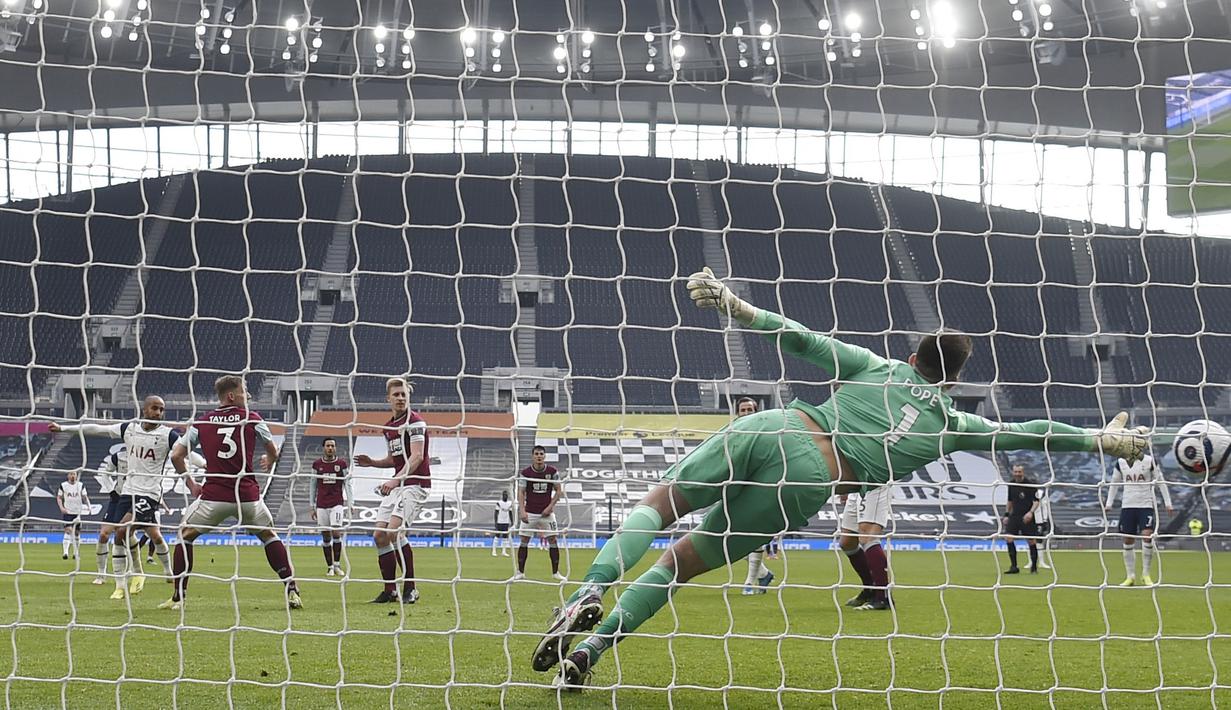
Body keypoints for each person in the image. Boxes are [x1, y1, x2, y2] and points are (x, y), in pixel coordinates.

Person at [537, 266, 1150, 688]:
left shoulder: (880, 367)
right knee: (675, 566)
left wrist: (733, 303)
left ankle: (587, 589)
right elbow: (1033, 431)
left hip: (781, 427)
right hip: (813, 482)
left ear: (913, 359)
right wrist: (1100, 438)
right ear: (954, 381)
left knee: (661, 502)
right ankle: (589, 652)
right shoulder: (956, 425)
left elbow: (801, 339)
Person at [162, 375, 301, 611]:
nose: (247, 396)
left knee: (184, 537)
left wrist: (191, 484)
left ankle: (178, 597)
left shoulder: (202, 422)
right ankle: (292, 590)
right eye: (244, 391)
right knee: (269, 536)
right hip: (247, 496)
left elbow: (176, 455)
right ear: (231, 396)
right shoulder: (252, 418)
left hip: (214, 497)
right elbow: (273, 449)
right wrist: (270, 459)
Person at [51, 396, 202, 599]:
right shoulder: (129, 429)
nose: (158, 413)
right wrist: (63, 428)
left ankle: (141, 575)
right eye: (154, 408)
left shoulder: (168, 435)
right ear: (144, 409)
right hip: (127, 492)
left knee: (125, 530)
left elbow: (189, 454)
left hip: (149, 493)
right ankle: (123, 584)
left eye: (162, 409)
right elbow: (98, 429)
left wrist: (206, 466)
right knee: (121, 535)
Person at [355, 378, 430, 604]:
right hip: (400, 485)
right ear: (388, 398)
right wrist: (373, 463)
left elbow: (416, 456)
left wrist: (395, 481)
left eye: (403, 394)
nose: (400, 398)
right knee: (379, 535)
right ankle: (390, 590)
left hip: (415, 485)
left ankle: (411, 588)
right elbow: (394, 460)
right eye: (396, 394)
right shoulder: (388, 428)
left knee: (395, 533)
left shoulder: (416, 422)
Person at [1106, 453, 1172, 586]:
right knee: (1128, 539)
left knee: (1147, 536)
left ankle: (1146, 574)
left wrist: (1168, 503)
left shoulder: (1150, 461)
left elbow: (1160, 481)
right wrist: (1109, 503)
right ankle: (1130, 576)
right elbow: (1114, 483)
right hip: (1127, 505)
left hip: (1145, 505)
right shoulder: (1121, 462)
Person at [734, 397, 775, 596]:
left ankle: (750, 582)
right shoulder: (732, 432)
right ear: (738, 413)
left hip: (760, 488)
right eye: (744, 410)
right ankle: (764, 574)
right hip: (736, 488)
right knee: (729, 539)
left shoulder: (768, 431)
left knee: (755, 534)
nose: (747, 413)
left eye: (751, 409)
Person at [514, 445, 566, 581]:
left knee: (553, 540)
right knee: (524, 540)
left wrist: (550, 506)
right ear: (532, 456)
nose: (539, 456)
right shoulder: (525, 473)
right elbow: (521, 492)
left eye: (541, 454)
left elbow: (559, 490)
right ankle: (520, 572)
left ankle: (556, 573)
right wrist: (522, 510)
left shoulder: (552, 471)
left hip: (547, 513)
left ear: (545, 456)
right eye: (536, 454)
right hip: (530, 512)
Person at [309, 437, 352, 577]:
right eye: (328, 446)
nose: (330, 448)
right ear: (324, 448)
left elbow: (347, 483)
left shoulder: (341, 464)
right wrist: (311, 505)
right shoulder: (317, 465)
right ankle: (329, 567)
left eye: (332, 446)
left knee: (336, 532)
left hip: (337, 503)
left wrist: (351, 502)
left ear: (335, 448)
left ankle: (337, 565)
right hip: (321, 504)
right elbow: (313, 485)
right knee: (325, 536)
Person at [1002, 464, 1041, 574]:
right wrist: (1006, 514)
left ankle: (1034, 567)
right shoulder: (1011, 483)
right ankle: (1014, 567)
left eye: (1019, 472)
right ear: (1013, 472)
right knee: (1008, 537)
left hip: (1026, 516)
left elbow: (1036, 501)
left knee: (1031, 541)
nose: (1017, 474)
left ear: (1023, 472)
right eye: (1015, 472)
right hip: (1015, 515)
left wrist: (1030, 513)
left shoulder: (1030, 484)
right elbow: (1010, 501)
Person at [56, 470, 88, 560]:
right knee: (68, 530)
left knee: (77, 533)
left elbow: (85, 497)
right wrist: (62, 508)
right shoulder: (63, 485)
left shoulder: (81, 485)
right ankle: (65, 553)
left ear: (76, 476)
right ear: (68, 476)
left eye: (74, 474)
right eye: (71, 474)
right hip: (68, 512)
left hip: (77, 513)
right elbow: (59, 497)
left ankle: (75, 553)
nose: (72, 476)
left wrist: (88, 506)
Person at [1034, 479, 1053, 570]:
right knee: (1030, 540)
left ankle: (1041, 562)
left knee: (1039, 541)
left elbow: (1045, 507)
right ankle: (1031, 562)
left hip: (1040, 520)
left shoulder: (1040, 493)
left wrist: (1045, 519)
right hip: (1029, 520)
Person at [493, 490, 513, 557]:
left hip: (506, 522)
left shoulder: (509, 503)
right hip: (500, 521)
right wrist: (495, 522)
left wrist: (512, 521)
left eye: (506, 495)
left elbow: (510, 513)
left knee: (505, 537)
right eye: (504, 495)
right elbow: (496, 513)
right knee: (497, 536)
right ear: (502, 496)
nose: (505, 496)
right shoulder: (499, 503)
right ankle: (494, 551)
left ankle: (504, 551)